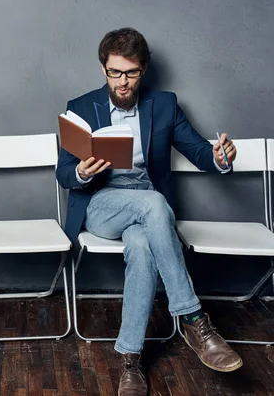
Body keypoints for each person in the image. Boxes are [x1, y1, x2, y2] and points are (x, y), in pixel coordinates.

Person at [56, 27, 242, 396]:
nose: (122, 82)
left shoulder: (165, 105)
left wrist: (219, 158)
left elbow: (200, 152)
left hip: (145, 210)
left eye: (131, 72)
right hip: (102, 203)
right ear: (104, 69)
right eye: (114, 72)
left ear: (144, 69)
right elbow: (63, 173)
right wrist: (80, 171)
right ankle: (193, 318)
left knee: (142, 247)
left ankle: (130, 360)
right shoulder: (80, 107)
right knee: (156, 204)